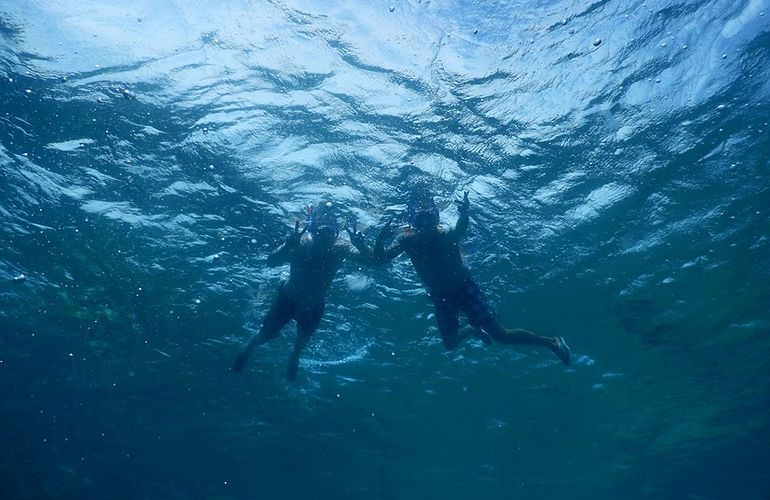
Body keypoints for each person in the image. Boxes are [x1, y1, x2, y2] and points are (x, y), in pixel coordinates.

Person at [371, 184, 571, 365]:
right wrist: (380, 240)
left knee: (501, 335)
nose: (425, 226)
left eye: (429, 219)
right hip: (439, 296)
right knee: (450, 343)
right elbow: (381, 260)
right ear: (412, 222)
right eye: (419, 221)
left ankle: (551, 342)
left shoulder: (445, 234)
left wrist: (464, 212)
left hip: (464, 288)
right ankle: (472, 329)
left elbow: (460, 229)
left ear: (436, 218)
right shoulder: (407, 241)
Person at [232, 201, 374, 380]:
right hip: (287, 300)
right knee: (262, 337)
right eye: (322, 221)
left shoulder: (341, 247)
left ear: (335, 228)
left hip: (313, 306)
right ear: (313, 224)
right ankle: (240, 363)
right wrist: (287, 245)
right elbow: (271, 262)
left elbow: (371, 262)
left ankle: (292, 363)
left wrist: (361, 245)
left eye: (330, 222)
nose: (326, 232)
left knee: (298, 348)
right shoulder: (299, 241)